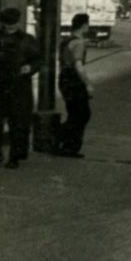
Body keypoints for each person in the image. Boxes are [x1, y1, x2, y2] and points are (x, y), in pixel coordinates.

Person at [0, 6, 42, 169]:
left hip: (18, 86)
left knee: (18, 123)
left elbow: (38, 60)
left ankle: (14, 157)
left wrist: (30, 68)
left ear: (18, 22)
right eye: (7, 24)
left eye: (13, 23)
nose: (10, 27)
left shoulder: (27, 39)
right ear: (2, 23)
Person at [54, 12, 94, 158]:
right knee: (82, 114)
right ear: (84, 26)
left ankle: (64, 142)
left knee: (74, 113)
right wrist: (88, 84)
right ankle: (67, 144)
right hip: (74, 80)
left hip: (64, 79)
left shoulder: (66, 40)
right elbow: (78, 65)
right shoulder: (79, 43)